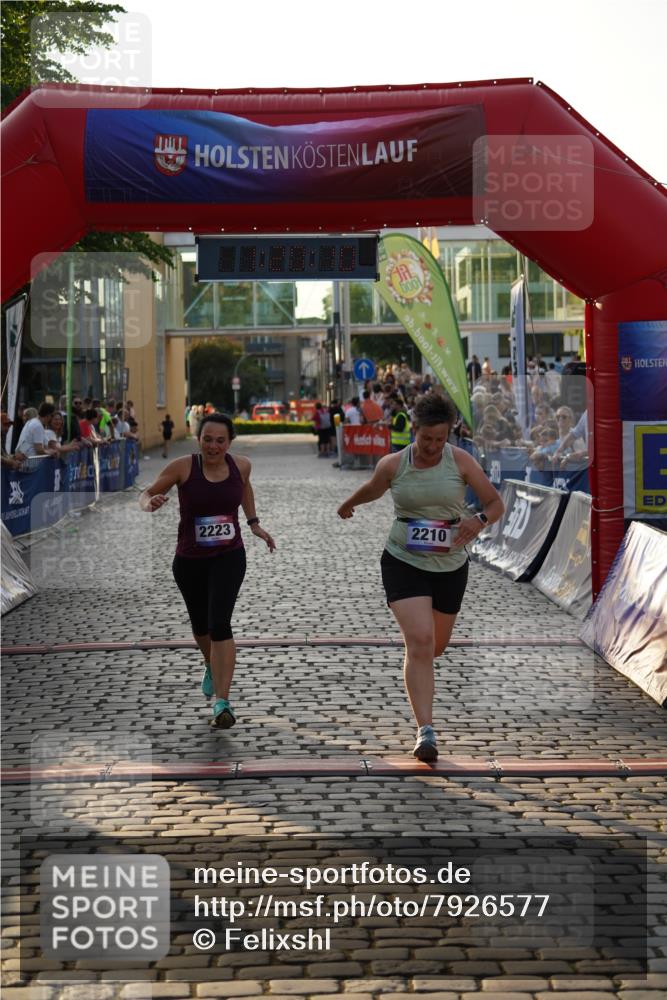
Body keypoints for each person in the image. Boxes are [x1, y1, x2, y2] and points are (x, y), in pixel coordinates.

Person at [337, 393, 504, 762]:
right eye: (426, 438)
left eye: (439, 439)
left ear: (449, 436)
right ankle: (425, 730)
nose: (431, 446)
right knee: (420, 639)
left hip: (450, 565)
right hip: (402, 559)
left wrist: (478, 521)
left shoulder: (460, 461)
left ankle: (423, 687)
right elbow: (373, 489)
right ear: (415, 431)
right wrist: (349, 503)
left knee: (435, 647)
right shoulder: (394, 465)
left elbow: (495, 503)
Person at [139, 413, 276, 728]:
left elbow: (244, 489)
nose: (213, 446)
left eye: (220, 440)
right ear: (197, 438)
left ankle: (222, 702)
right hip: (189, 561)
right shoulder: (183, 467)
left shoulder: (241, 465)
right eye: (207, 439)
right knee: (201, 626)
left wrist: (254, 524)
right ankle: (209, 663)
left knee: (220, 623)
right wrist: (150, 503)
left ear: (229, 442)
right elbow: (145, 494)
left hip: (229, 556)